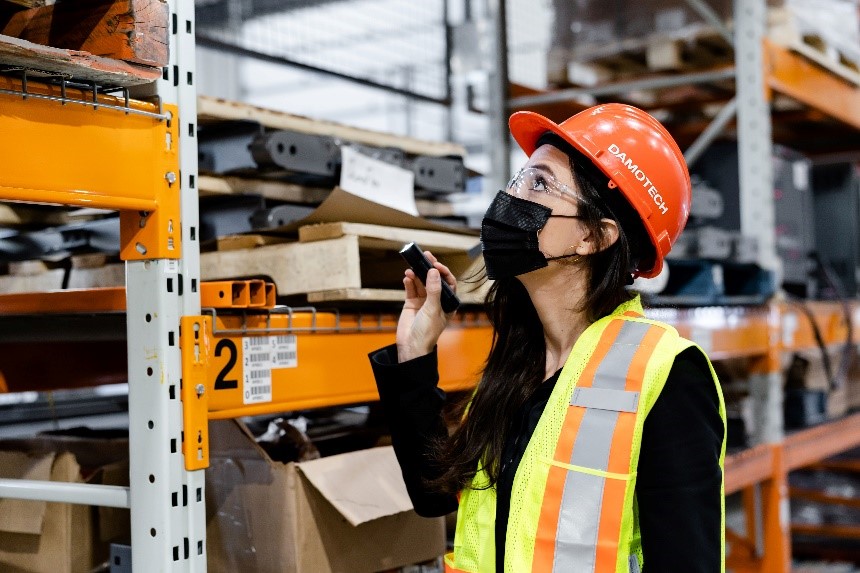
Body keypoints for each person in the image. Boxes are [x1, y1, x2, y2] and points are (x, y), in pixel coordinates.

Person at [369, 104, 726, 573]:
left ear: (594, 237)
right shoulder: (520, 361)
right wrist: (415, 356)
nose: (509, 198)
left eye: (538, 184)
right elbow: (435, 493)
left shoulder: (667, 375)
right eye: (519, 179)